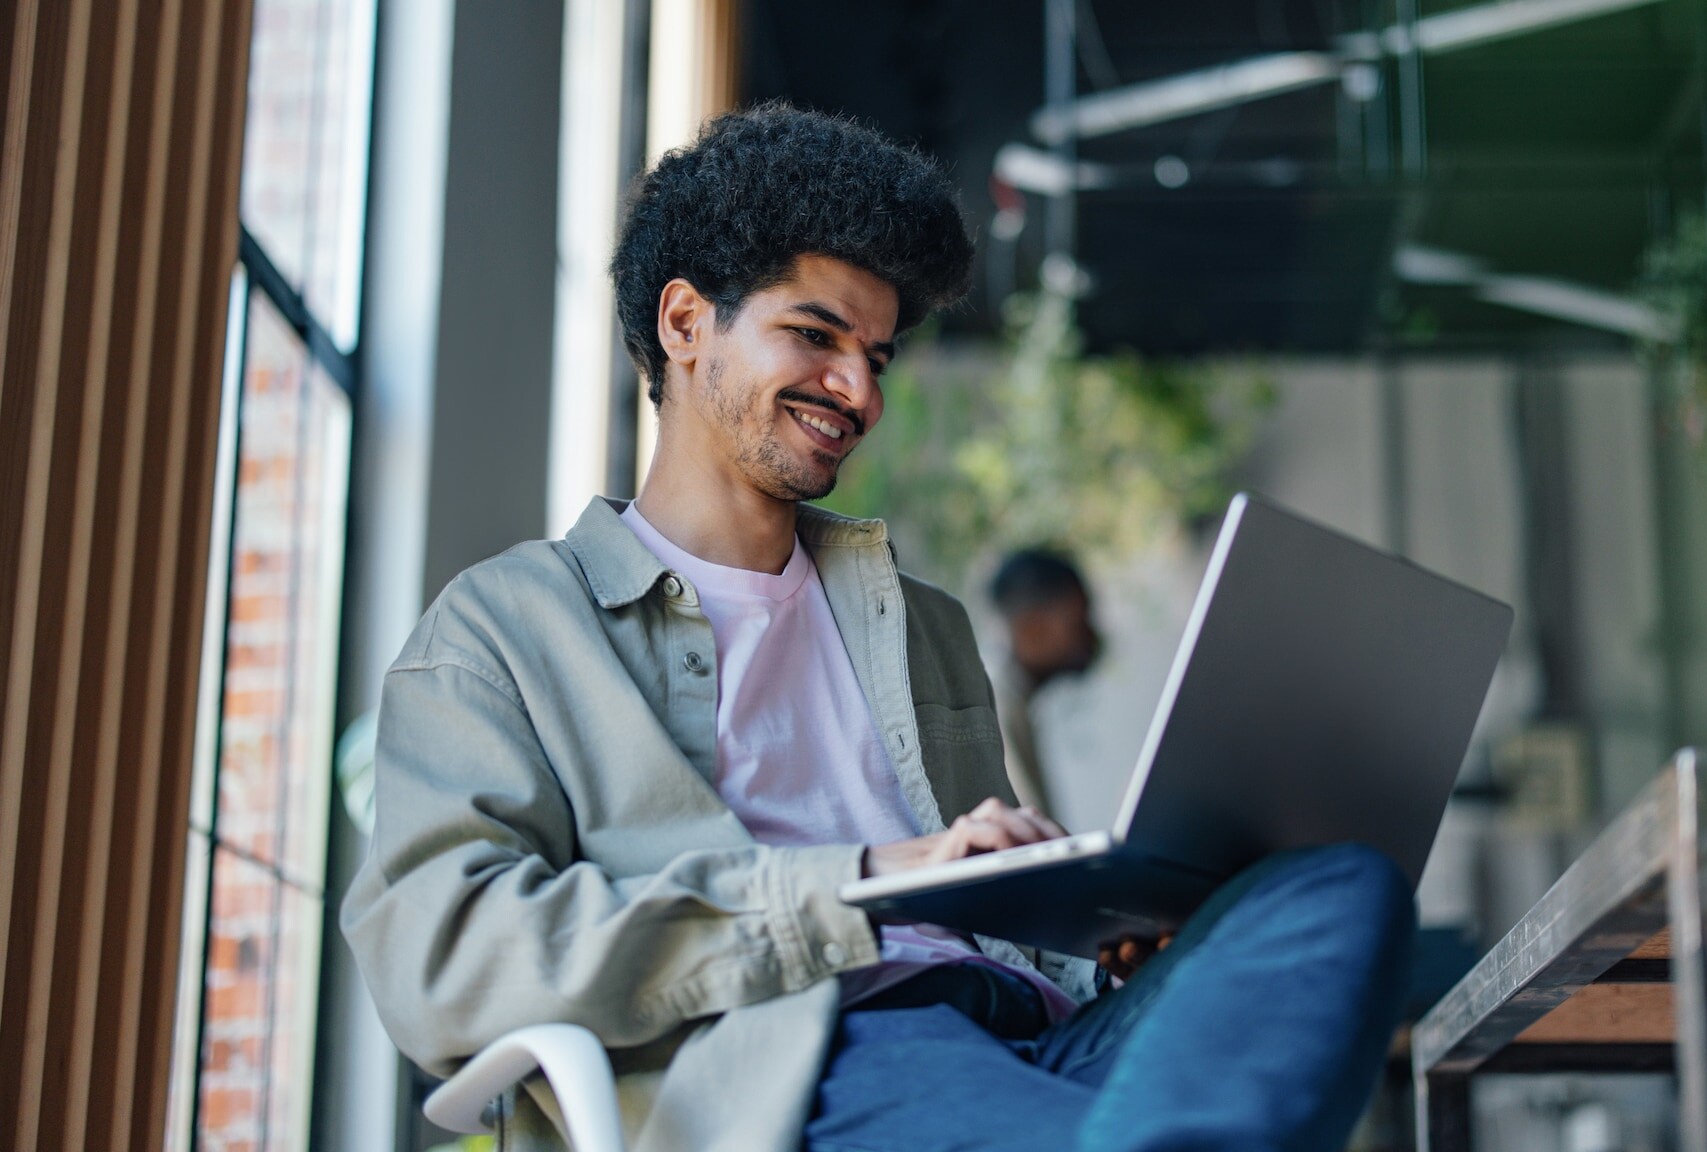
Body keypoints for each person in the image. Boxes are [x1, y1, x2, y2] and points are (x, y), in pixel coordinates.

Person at [342, 104, 1413, 1152]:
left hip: (1033, 1036)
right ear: (683, 324)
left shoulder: (921, 627)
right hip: (802, 1053)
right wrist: (856, 885)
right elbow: (446, 959)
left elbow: (982, 906)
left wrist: (1107, 949)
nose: (856, 390)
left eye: (877, 356)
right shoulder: (508, 631)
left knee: (1333, 883)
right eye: (813, 335)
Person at [988, 547, 1101, 816]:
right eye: (1078, 621)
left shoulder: (1014, 702)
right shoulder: (997, 708)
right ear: (1031, 627)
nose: (1091, 637)